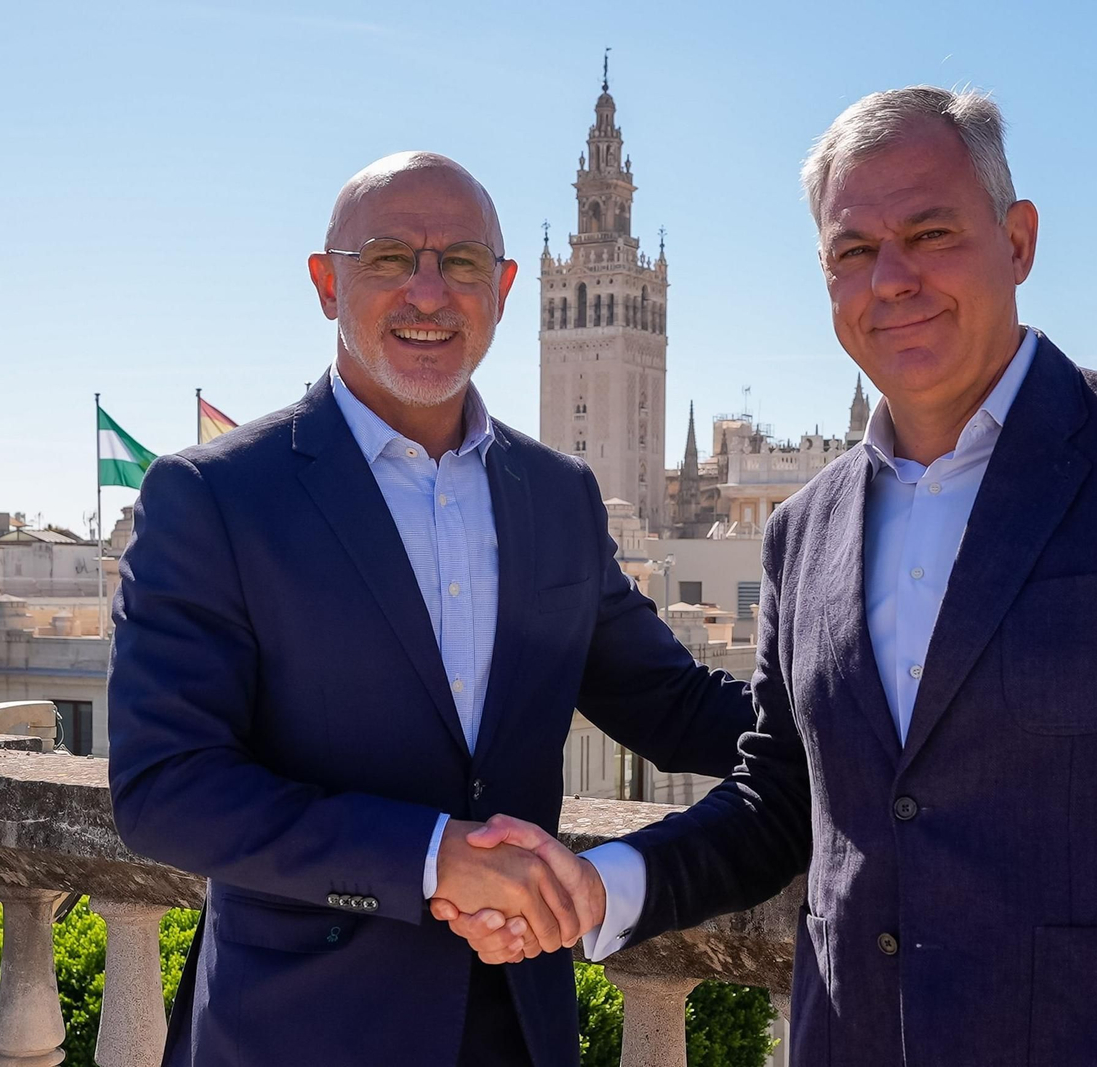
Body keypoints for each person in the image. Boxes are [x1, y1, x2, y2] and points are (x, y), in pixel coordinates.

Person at [438, 87, 1097, 1065]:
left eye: (930, 233)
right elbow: (780, 802)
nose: (891, 277)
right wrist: (602, 886)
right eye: (853, 251)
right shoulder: (805, 531)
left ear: (1017, 241)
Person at [107, 153, 754, 1067]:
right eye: (386, 258)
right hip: (296, 1033)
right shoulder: (215, 497)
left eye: (459, 262)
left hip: (517, 1026)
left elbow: (674, 705)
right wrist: (430, 855)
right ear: (326, 283)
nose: (427, 292)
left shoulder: (558, 495)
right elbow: (164, 788)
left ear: (504, 289)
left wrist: (872, 727)